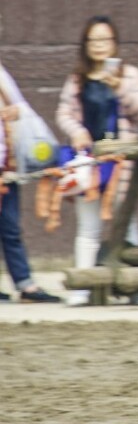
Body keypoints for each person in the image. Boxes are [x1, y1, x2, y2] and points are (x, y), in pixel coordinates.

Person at [54, 16, 138, 306]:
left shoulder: (129, 74)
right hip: (90, 163)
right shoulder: (77, 78)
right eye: (93, 40)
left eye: (105, 40)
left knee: (127, 223)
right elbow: (64, 113)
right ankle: (82, 287)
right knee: (88, 227)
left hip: (122, 160)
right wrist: (77, 132)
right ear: (85, 45)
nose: (99, 46)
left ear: (115, 43)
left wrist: (118, 87)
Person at [0, 60, 62, 302]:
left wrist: (15, 112)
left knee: (11, 228)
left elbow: (20, 107)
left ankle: (25, 284)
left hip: (7, 164)